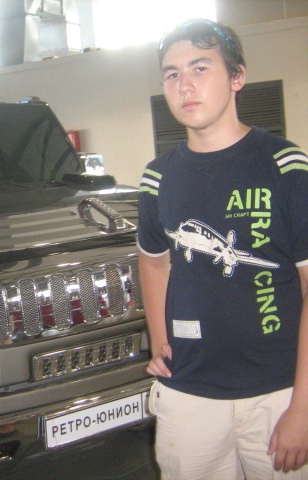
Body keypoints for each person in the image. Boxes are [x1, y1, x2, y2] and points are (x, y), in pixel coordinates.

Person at [137, 18, 308, 479]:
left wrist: (303, 407)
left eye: (200, 68)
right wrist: (160, 340)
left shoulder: (286, 166)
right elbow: (153, 263)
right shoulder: (157, 177)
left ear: (237, 77)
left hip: (279, 392)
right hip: (188, 392)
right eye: (172, 74)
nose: (184, 85)